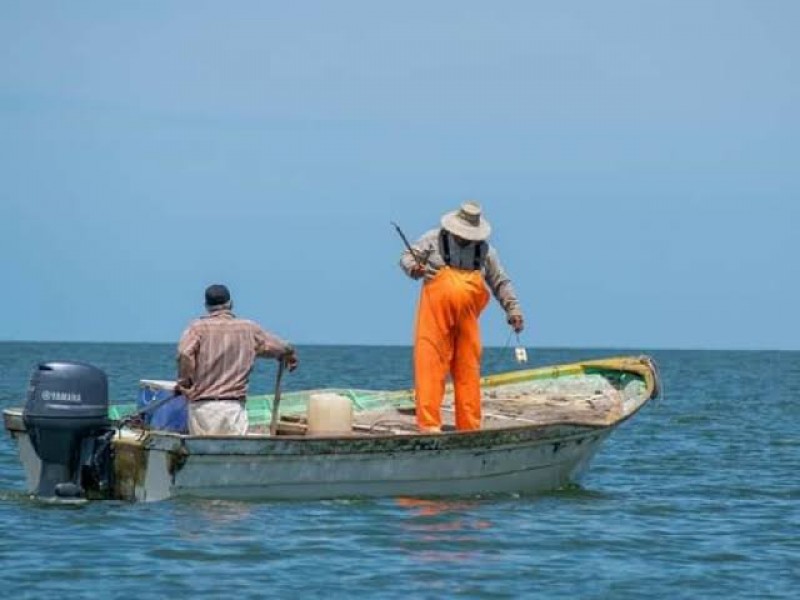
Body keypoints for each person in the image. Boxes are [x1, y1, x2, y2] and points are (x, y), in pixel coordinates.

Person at [399, 201, 524, 432]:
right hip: (434, 319)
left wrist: (513, 310)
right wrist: (413, 269)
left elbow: (500, 282)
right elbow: (407, 257)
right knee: (429, 367)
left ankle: (469, 427)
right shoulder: (432, 239)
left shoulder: (486, 252)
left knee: (468, 371)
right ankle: (428, 426)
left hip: (467, 322)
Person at [176, 284, 298, 436]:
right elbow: (277, 346)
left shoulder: (197, 328)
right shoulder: (248, 329)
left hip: (203, 407)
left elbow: (184, 353)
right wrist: (289, 353)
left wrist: (184, 384)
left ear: (207, 306)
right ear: (231, 304)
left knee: (202, 452)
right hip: (233, 408)